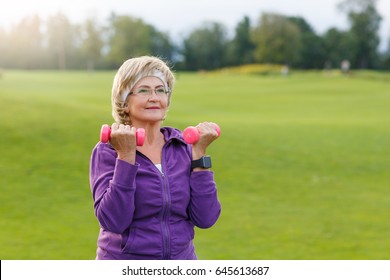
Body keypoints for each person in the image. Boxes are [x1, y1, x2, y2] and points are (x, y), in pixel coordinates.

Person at [89, 56, 221, 260]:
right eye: (144, 90)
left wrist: (199, 154)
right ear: (124, 102)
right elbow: (113, 221)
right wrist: (125, 156)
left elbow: (206, 217)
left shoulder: (182, 147)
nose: (154, 97)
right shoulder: (109, 150)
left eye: (160, 90)